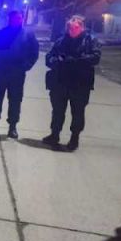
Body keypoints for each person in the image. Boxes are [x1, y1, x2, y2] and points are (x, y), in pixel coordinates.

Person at [42, 15, 101, 151]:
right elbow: (49, 57)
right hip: (60, 82)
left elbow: (95, 58)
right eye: (70, 27)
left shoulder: (90, 41)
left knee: (78, 112)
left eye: (75, 27)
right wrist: (56, 61)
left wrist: (75, 60)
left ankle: (74, 138)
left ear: (82, 27)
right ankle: (54, 134)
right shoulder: (61, 41)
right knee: (57, 111)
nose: (72, 30)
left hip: (80, 84)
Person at [0, 11, 39, 139]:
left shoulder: (28, 35)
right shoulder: (0, 34)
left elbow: (34, 52)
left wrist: (26, 66)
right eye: (14, 18)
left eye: (19, 18)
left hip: (17, 73)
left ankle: (12, 126)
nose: (17, 20)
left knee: (15, 100)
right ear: (9, 19)